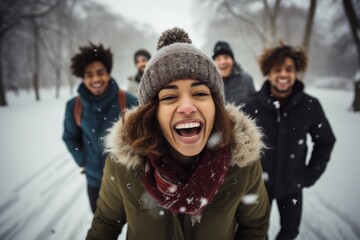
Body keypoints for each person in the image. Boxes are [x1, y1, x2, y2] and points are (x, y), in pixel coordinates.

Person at [86, 27, 270, 240]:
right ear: (152, 113)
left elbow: (255, 228)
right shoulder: (124, 165)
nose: (187, 107)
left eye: (200, 93)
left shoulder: (242, 165)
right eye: (169, 97)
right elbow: (106, 223)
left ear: (216, 107)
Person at [241, 42, 336, 240]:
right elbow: (237, 145)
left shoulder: (310, 106)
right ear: (268, 72)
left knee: (290, 232)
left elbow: (325, 140)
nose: (283, 74)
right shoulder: (251, 106)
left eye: (289, 69)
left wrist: (309, 175)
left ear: (297, 72)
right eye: (277, 69)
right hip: (258, 186)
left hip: (292, 186)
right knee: (254, 233)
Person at [62, 43, 138, 213]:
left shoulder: (128, 101)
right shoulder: (74, 106)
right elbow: (69, 137)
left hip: (128, 181)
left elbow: (145, 135)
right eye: (89, 74)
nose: (95, 79)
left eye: (100, 73)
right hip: (95, 182)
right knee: (102, 229)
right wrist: (83, 161)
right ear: (82, 77)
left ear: (108, 73)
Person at [212, 40, 256, 105]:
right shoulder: (210, 83)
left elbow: (255, 103)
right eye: (218, 59)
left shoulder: (246, 79)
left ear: (232, 60)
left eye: (226, 57)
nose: (222, 62)